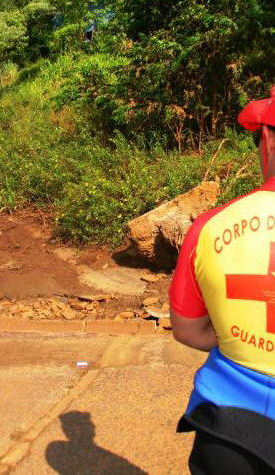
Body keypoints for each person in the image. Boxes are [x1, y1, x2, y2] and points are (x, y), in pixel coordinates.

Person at [169, 85, 275, 474]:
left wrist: (235, 338)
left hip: (231, 427)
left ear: (267, 139)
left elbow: (188, 330)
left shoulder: (210, 227)